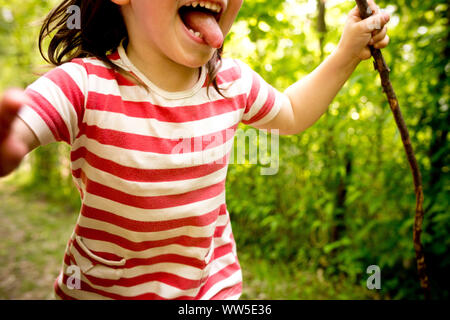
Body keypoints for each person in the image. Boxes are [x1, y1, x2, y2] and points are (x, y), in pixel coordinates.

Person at [0, 0, 390, 300]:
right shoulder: (84, 85)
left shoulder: (231, 82)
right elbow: (25, 122)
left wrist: (344, 55)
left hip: (210, 290)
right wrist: (10, 140)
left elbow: (291, 112)